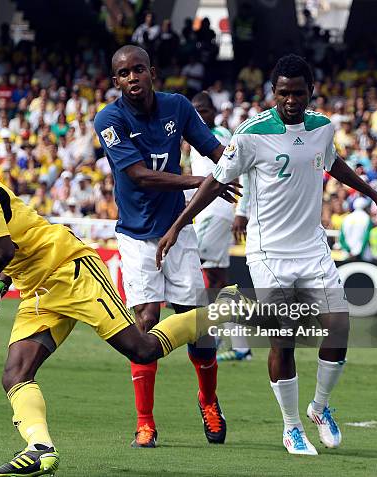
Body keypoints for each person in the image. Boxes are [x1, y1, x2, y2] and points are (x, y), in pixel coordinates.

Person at [0, 127, 250, 476]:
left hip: (70, 269)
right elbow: (13, 244)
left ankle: (226, 307)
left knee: (142, 349)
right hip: (39, 289)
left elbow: (1, 249)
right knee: (15, 373)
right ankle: (39, 449)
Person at [157, 54, 377, 455]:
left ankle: (319, 408)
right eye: (283, 92)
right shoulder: (250, 134)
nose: (290, 99)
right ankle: (291, 427)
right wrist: (176, 225)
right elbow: (214, 181)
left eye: (298, 92)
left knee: (338, 328)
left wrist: (376, 196)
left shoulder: (322, 127)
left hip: (312, 246)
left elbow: (333, 164)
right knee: (285, 339)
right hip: (269, 252)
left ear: (310, 92)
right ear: (273, 92)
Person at [94, 45, 239, 448]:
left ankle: (208, 401)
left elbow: (214, 150)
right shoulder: (109, 119)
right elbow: (139, 175)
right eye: (123, 74)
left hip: (180, 231)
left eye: (138, 69)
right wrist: (202, 182)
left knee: (196, 324)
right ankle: (145, 421)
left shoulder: (177, 107)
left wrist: (244, 163)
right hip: (136, 236)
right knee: (145, 321)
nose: (132, 78)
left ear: (152, 71)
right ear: (116, 81)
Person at [188, 92, 251, 362]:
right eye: (196, 110)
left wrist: (242, 209)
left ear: (214, 111)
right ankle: (240, 344)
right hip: (211, 211)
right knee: (218, 280)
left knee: (187, 259)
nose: (200, 114)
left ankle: (212, 332)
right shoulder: (195, 136)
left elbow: (240, 168)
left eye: (204, 110)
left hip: (214, 210)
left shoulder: (219, 135)